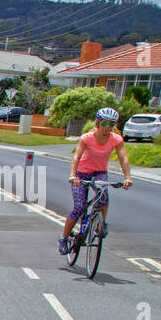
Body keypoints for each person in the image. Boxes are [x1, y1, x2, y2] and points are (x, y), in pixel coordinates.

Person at [59, 106, 132, 255]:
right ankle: (64, 239)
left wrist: (128, 178)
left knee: (103, 196)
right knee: (79, 206)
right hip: (82, 174)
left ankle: (102, 224)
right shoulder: (87, 138)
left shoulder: (116, 140)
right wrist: (73, 175)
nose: (107, 127)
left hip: (99, 173)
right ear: (98, 123)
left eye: (111, 124)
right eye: (104, 123)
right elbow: (76, 157)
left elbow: (123, 158)